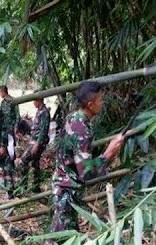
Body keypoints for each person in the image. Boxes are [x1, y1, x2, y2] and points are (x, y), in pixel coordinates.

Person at [49, 81, 125, 232]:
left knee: (67, 235)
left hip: (62, 186)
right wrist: (109, 153)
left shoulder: (73, 118)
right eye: (100, 100)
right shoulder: (82, 129)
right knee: (58, 242)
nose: (102, 103)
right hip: (67, 193)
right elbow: (85, 171)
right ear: (90, 105)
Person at [16, 97, 50, 193]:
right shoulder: (39, 111)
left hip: (37, 143)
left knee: (23, 161)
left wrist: (37, 144)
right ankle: (36, 188)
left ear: (38, 100)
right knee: (35, 164)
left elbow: (43, 130)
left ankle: (23, 186)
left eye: (34, 101)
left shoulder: (44, 112)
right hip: (35, 141)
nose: (33, 103)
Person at [0, 85, 20, 160]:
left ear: (3, 92)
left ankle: (12, 159)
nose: (0, 94)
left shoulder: (13, 101)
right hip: (4, 127)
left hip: (11, 127)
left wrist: (16, 126)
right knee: (5, 144)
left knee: (11, 144)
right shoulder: (2, 103)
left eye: (0, 92)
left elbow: (17, 115)